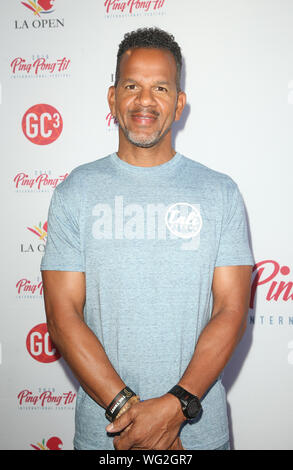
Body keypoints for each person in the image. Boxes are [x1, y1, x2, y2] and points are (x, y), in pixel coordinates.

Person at [41, 27, 254, 451]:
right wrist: (131, 415)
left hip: (199, 437)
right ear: (112, 97)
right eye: (132, 85)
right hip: (107, 437)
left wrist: (175, 409)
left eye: (160, 87)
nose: (144, 100)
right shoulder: (74, 192)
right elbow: (62, 315)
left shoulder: (220, 192)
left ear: (178, 104)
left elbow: (231, 310)